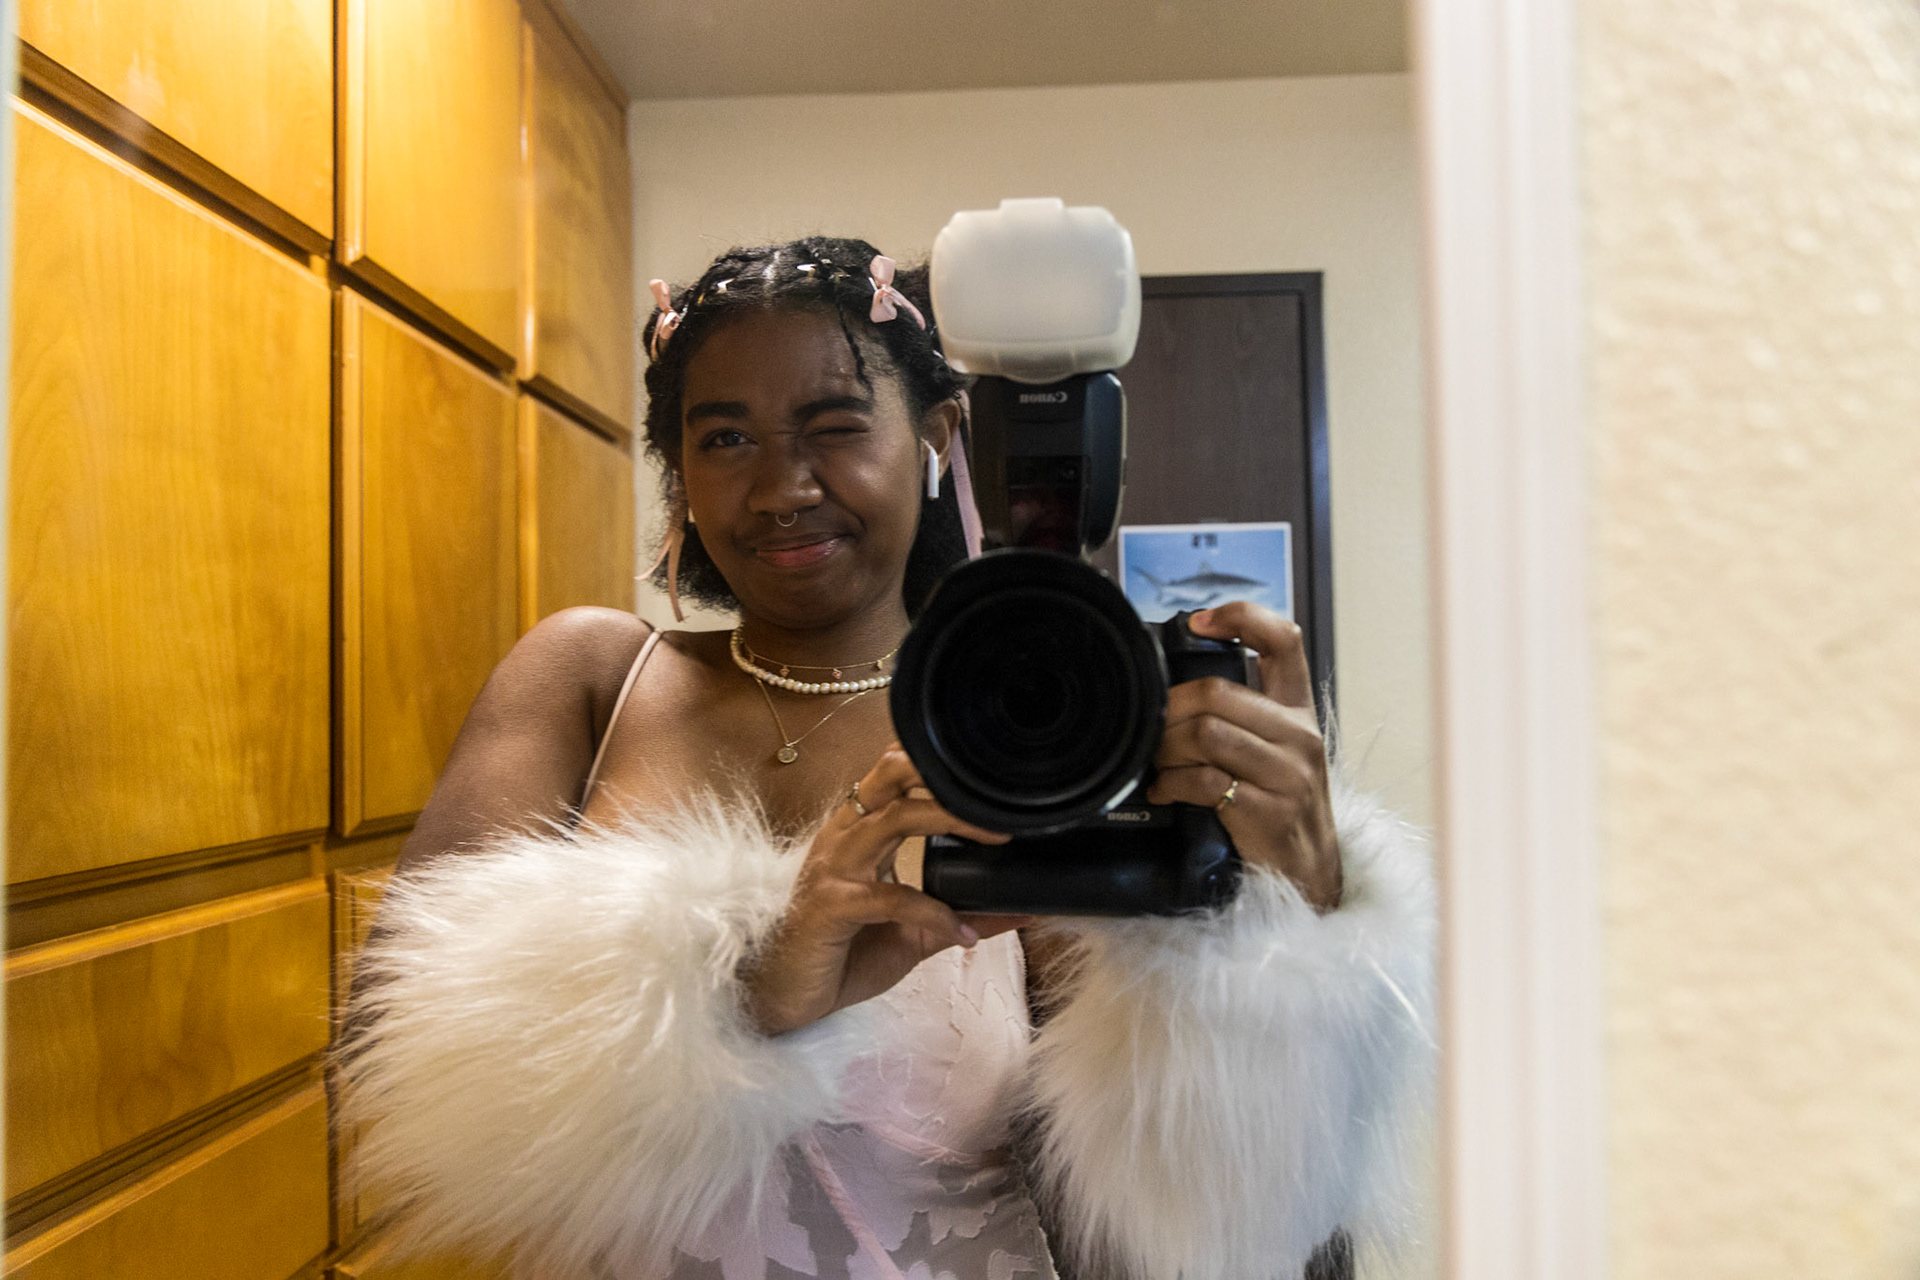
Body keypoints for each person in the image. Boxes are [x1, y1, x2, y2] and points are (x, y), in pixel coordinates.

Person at [337, 237, 1434, 1280]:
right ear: (677, 470)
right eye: (725, 440)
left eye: (834, 425)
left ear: (939, 435)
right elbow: (395, 1079)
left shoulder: (1038, 729)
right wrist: (749, 993)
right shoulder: (590, 679)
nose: (782, 487)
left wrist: (1287, 918)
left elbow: (1199, 1210)